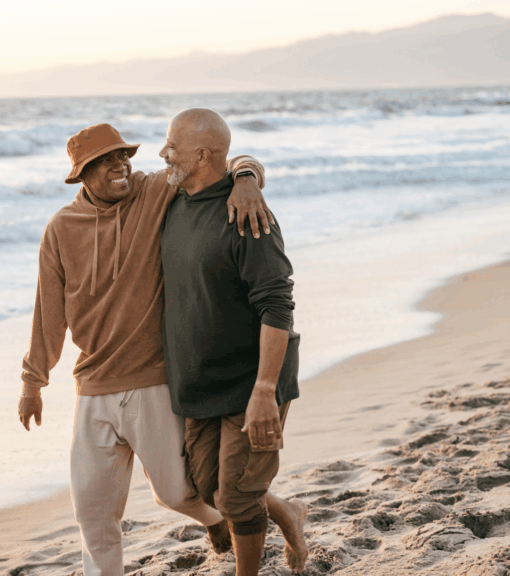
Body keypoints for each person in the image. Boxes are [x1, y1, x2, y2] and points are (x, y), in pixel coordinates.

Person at [17, 122, 272, 576]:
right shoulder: (61, 228)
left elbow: (213, 162)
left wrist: (248, 177)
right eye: (105, 161)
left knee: (177, 494)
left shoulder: (155, 192)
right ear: (81, 174)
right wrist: (32, 383)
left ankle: (219, 518)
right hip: (92, 387)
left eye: (123, 155)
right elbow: (47, 313)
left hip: (152, 380)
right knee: (93, 514)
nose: (120, 165)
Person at [159, 108, 307, 575]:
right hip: (199, 382)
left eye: (172, 146)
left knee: (239, 496)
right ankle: (288, 512)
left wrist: (265, 390)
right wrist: (247, 171)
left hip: (251, 380)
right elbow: (243, 161)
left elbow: (277, 305)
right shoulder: (170, 198)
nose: (163, 153)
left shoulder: (247, 214)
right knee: (210, 490)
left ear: (202, 155)